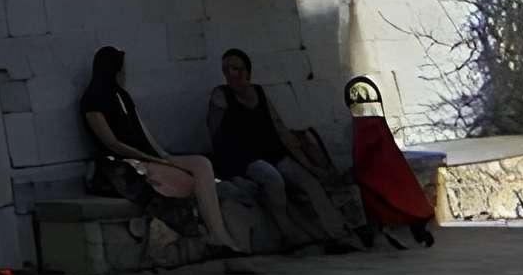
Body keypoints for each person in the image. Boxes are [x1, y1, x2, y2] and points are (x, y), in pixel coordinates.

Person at [80, 45, 232, 256]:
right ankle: (196, 234)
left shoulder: (122, 95)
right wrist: (150, 158)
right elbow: (111, 143)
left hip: (148, 155)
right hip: (122, 163)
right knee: (186, 183)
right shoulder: (93, 99)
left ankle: (219, 232)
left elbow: (143, 132)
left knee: (202, 164)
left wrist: (163, 156)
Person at [207, 49, 356, 253]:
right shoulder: (221, 96)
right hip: (244, 158)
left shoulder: (259, 92)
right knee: (272, 179)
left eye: (237, 68)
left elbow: (278, 127)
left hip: (273, 152)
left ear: (247, 71)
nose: (232, 74)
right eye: (227, 69)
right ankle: (290, 235)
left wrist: (307, 161)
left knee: (309, 182)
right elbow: (214, 133)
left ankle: (335, 234)